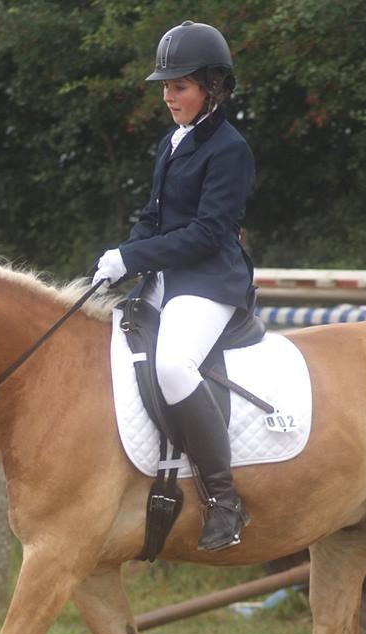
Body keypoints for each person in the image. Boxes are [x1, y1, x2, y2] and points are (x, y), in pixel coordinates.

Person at [93, 20, 255, 552]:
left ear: (212, 86)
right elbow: (153, 218)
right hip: (165, 281)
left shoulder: (229, 149)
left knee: (172, 365)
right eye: (165, 86)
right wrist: (118, 260)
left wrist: (133, 257)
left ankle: (224, 499)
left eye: (179, 86)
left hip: (209, 281)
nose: (168, 96)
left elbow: (207, 233)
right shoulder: (172, 141)